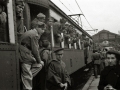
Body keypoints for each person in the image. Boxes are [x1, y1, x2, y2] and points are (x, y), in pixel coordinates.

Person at [19, 21, 45, 90]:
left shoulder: (32, 32)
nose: (43, 31)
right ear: (37, 28)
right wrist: (39, 61)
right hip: (24, 54)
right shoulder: (34, 35)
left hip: (25, 53)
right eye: (42, 29)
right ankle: (27, 83)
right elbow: (35, 50)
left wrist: (39, 62)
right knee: (30, 72)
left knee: (39, 66)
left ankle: (25, 78)